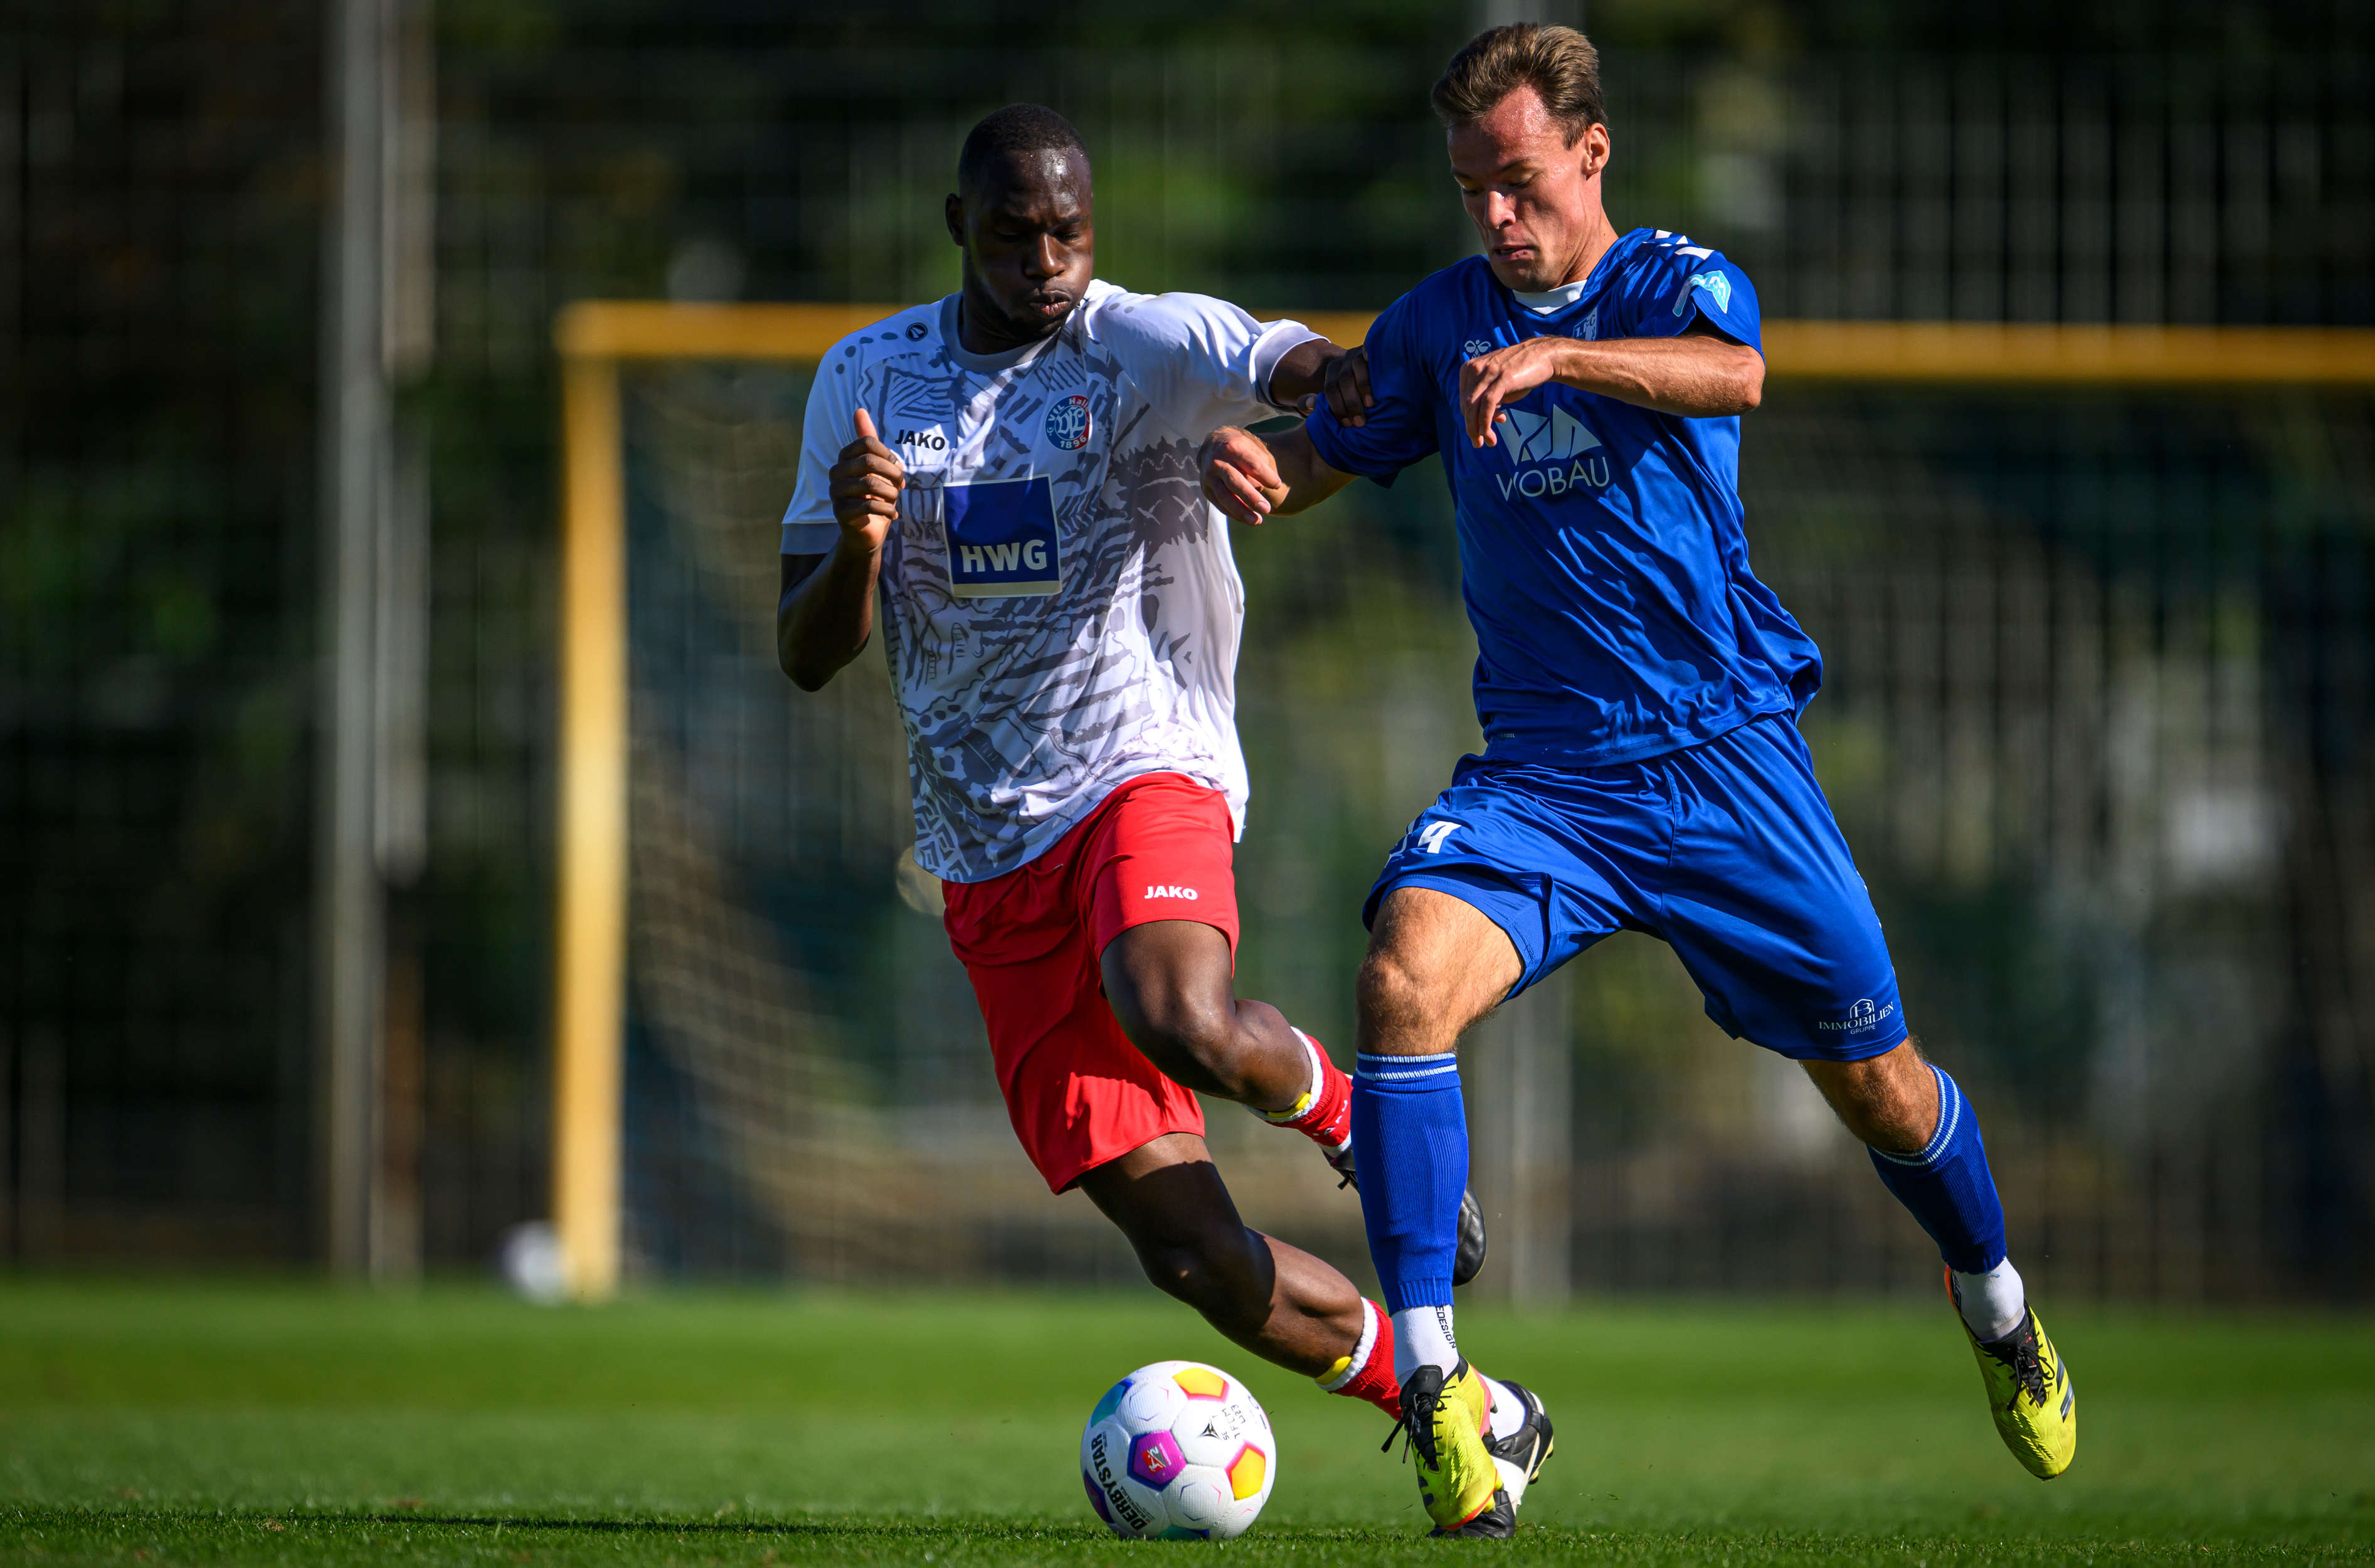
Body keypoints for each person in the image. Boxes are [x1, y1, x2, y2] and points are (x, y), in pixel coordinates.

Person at [1198, 23, 2078, 1532]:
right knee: (1401, 983)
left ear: (1589, 156)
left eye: (1519, 180)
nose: (1493, 215)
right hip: (1545, 780)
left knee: (1878, 1088)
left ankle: (1994, 1302)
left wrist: (1565, 352)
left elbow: (1734, 374)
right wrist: (1267, 466)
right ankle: (1434, 1389)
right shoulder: (1434, 322)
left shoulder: (1677, 280)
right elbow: (1344, 442)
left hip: (1727, 768)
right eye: (1471, 186)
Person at [774, 104, 1552, 1534]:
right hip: (980, 845)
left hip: (1145, 765)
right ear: (960, 227)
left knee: (1176, 1009)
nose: (1049, 257)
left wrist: (1321, 409)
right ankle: (1461, 1403)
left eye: (1069, 227)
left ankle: (1344, 1109)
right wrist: (863, 545)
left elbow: (1289, 357)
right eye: (1015, 232)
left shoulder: (1139, 339)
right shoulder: (867, 382)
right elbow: (808, 649)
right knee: (1190, 1254)